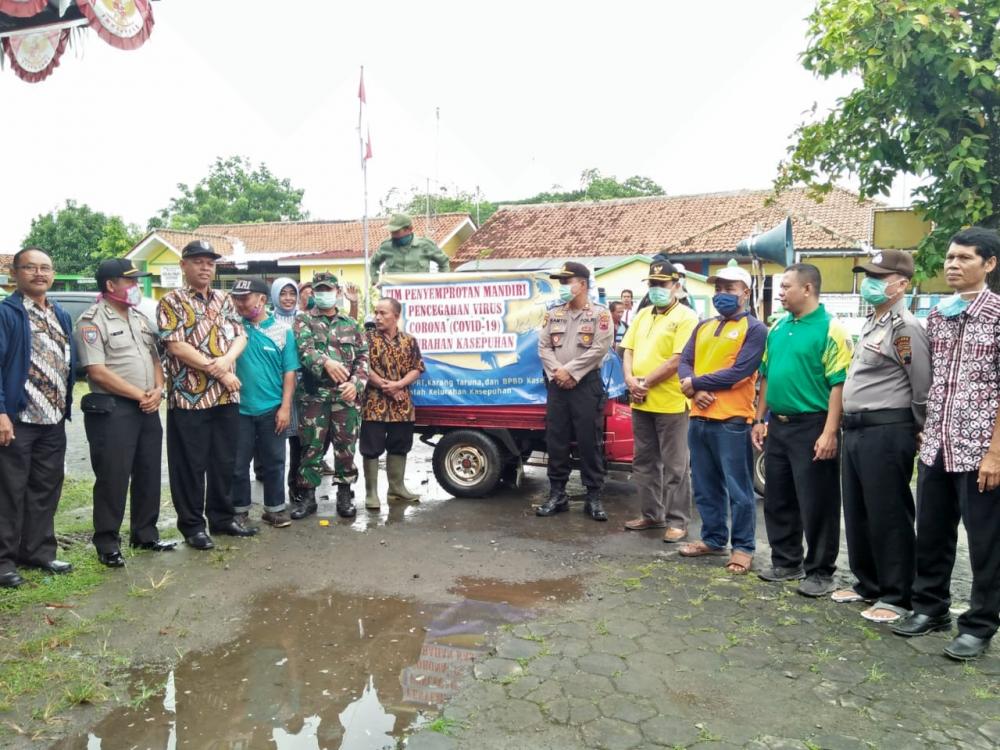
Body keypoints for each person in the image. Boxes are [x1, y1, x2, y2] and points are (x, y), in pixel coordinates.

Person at [893, 228, 1000, 661]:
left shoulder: (997, 315)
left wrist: (996, 451)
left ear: (989, 264)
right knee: (932, 533)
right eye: (950, 258)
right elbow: (933, 380)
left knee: (986, 542)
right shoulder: (939, 316)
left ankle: (979, 625)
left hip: (982, 452)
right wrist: (926, 427)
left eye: (965, 258)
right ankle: (930, 607)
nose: (953, 265)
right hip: (939, 445)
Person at [834, 250, 929, 623]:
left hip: (888, 431)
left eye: (879, 276)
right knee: (858, 511)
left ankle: (897, 593)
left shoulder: (904, 328)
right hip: (857, 430)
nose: (870, 282)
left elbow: (920, 384)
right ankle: (868, 584)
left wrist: (920, 428)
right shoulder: (873, 323)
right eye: (867, 275)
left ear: (902, 284)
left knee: (888, 512)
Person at [752, 263, 851, 596]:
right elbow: (766, 375)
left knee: (817, 501)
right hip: (778, 425)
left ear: (807, 289)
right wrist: (759, 418)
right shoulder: (779, 328)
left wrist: (829, 432)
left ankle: (821, 570)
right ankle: (785, 561)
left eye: (785, 286)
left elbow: (838, 383)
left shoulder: (830, 329)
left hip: (813, 425)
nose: (780, 293)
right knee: (778, 497)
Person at [157, 240, 256, 550]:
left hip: (226, 397)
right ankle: (192, 526)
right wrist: (221, 371)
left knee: (224, 460)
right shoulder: (171, 302)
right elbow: (176, 345)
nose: (205, 267)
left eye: (210, 262)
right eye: (198, 261)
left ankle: (223, 518)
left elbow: (240, 336)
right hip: (189, 399)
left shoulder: (225, 300)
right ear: (184, 265)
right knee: (190, 465)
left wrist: (227, 362)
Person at [76, 258, 174, 568]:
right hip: (113, 409)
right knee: (113, 477)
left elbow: (155, 359)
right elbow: (97, 371)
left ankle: (145, 534)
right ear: (110, 285)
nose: (135, 288)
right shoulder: (91, 321)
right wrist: (140, 395)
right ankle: (107, 542)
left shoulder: (139, 318)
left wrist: (158, 390)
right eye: (130, 282)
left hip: (147, 406)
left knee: (148, 472)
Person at [676, 264, 766, 573]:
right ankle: (713, 539)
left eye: (730, 289)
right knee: (703, 485)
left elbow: (740, 372)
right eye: (719, 289)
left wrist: (697, 383)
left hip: (732, 421)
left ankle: (742, 548)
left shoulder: (754, 329)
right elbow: (685, 362)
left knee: (739, 489)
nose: (723, 294)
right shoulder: (702, 326)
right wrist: (692, 390)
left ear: (745, 292)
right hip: (699, 418)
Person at [0, 248, 75, 588]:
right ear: (15, 273)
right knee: (9, 491)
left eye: (45, 267)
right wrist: (1, 412)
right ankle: (3, 561)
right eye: (30, 267)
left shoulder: (60, 313)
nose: (39, 273)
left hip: (53, 418)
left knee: (45, 487)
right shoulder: (7, 313)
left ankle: (38, 551)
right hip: (18, 418)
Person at [621, 260, 699, 542]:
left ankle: (677, 521)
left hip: (671, 403)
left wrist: (644, 382)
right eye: (652, 284)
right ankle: (651, 514)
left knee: (675, 466)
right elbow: (627, 349)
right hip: (641, 402)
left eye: (662, 285)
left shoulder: (687, 317)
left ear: (676, 286)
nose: (656, 289)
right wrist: (630, 379)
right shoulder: (642, 315)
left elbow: (678, 360)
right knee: (644, 462)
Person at [537, 261, 613, 521]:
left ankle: (593, 496)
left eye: (566, 282)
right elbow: (544, 347)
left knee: (588, 441)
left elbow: (599, 349)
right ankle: (557, 494)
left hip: (586, 385)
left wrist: (571, 372)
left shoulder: (600, 315)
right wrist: (558, 372)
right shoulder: (553, 313)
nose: (562, 287)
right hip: (557, 385)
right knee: (555, 439)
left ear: (582, 284)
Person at [293, 272, 369, 519]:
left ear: (337, 292)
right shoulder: (303, 320)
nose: (324, 294)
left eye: (329, 289)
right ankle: (307, 497)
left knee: (345, 447)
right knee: (311, 448)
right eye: (320, 290)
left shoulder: (350, 324)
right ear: (313, 293)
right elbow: (304, 350)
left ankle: (345, 494)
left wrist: (356, 384)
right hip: (314, 397)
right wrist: (326, 362)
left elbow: (363, 358)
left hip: (344, 398)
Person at [230, 278, 299, 529]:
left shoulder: (282, 331)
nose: (239, 304)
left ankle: (275, 509)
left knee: (274, 461)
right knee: (238, 464)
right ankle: (239, 510)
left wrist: (285, 408)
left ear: (261, 299)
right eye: (236, 298)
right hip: (239, 409)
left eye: (245, 298)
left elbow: (289, 372)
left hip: (272, 409)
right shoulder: (233, 329)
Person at [360, 297, 426, 510]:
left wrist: (399, 385)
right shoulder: (367, 339)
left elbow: (417, 368)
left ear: (396, 316)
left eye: (383, 313)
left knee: (400, 446)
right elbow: (362, 367)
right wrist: (385, 386)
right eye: (376, 312)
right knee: (371, 448)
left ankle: (396, 489)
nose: (377, 317)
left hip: (402, 406)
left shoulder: (409, 340)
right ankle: (371, 493)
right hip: (373, 404)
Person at [370, 213, 451, 285]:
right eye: (391, 232)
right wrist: (375, 280)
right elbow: (374, 263)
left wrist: (441, 282)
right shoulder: (386, 246)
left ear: (409, 229)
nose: (393, 235)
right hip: (393, 295)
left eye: (396, 231)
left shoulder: (425, 245)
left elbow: (444, 262)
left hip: (418, 295)